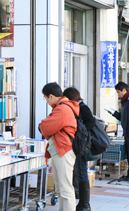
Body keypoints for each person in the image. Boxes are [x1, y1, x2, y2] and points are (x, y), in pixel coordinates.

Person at [39, 82, 79, 211]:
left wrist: (42, 125)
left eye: (45, 98)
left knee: (65, 188)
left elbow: (45, 127)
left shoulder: (62, 108)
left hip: (63, 150)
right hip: (61, 150)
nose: (46, 101)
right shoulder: (63, 107)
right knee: (61, 188)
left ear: (51, 96)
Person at [63, 87, 95, 211]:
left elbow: (90, 122)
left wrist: (78, 131)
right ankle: (82, 202)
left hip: (81, 144)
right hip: (78, 144)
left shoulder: (82, 107)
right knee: (79, 172)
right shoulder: (77, 106)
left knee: (82, 172)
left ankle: (84, 204)